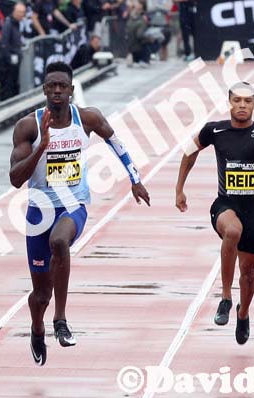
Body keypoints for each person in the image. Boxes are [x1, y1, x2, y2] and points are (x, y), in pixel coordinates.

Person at [9, 62, 150, 366]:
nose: (57, 91)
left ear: (71, 90)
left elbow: (117, 143)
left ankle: (60, 320)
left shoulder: (87, 118)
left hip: (73, 205)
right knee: (40, 295)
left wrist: (135, 179)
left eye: (62, 86)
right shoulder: (28, 127)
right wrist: (41, 147)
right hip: (39, 213)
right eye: (51, 86)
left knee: (60, 241)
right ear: (44, 90)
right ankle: (37, 327)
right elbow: (15, 179)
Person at [174, 82, 254, 344]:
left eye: (247, 101)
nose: (242, 105)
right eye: (237, 100)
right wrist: (179, 188)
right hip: (225, 205)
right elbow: (189, 152)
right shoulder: (215, 130)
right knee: (232, 231)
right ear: (229, 103)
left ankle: (243, 312)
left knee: (248, 274)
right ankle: (225, 297)